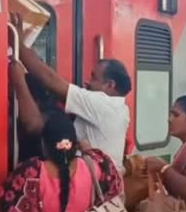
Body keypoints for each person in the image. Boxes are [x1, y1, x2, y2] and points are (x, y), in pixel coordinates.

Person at [10, 13, 131, 170]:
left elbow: (50, 80)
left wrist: (17, 43)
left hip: (94, 187)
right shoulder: (119, 108)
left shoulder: (103, 104)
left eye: (94, 78)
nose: (87, 81)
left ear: (110, 85)